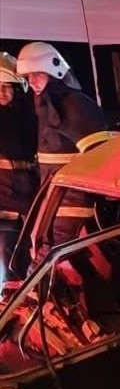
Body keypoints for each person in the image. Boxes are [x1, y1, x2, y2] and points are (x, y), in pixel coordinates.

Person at [16, 42, 107, 248]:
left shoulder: (76, 106)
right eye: (28, 77)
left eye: (38, 74)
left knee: (60, 262)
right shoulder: (45, 106)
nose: (32, 82)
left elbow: (100, 157)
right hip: (53, 203)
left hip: (74, 208)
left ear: (54, 70)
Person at [0, 51, 39, 277]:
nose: (2, 93)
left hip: (27, 203)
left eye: (7, 87)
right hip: (4, 208)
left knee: (20, 260)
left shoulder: (29, 119)